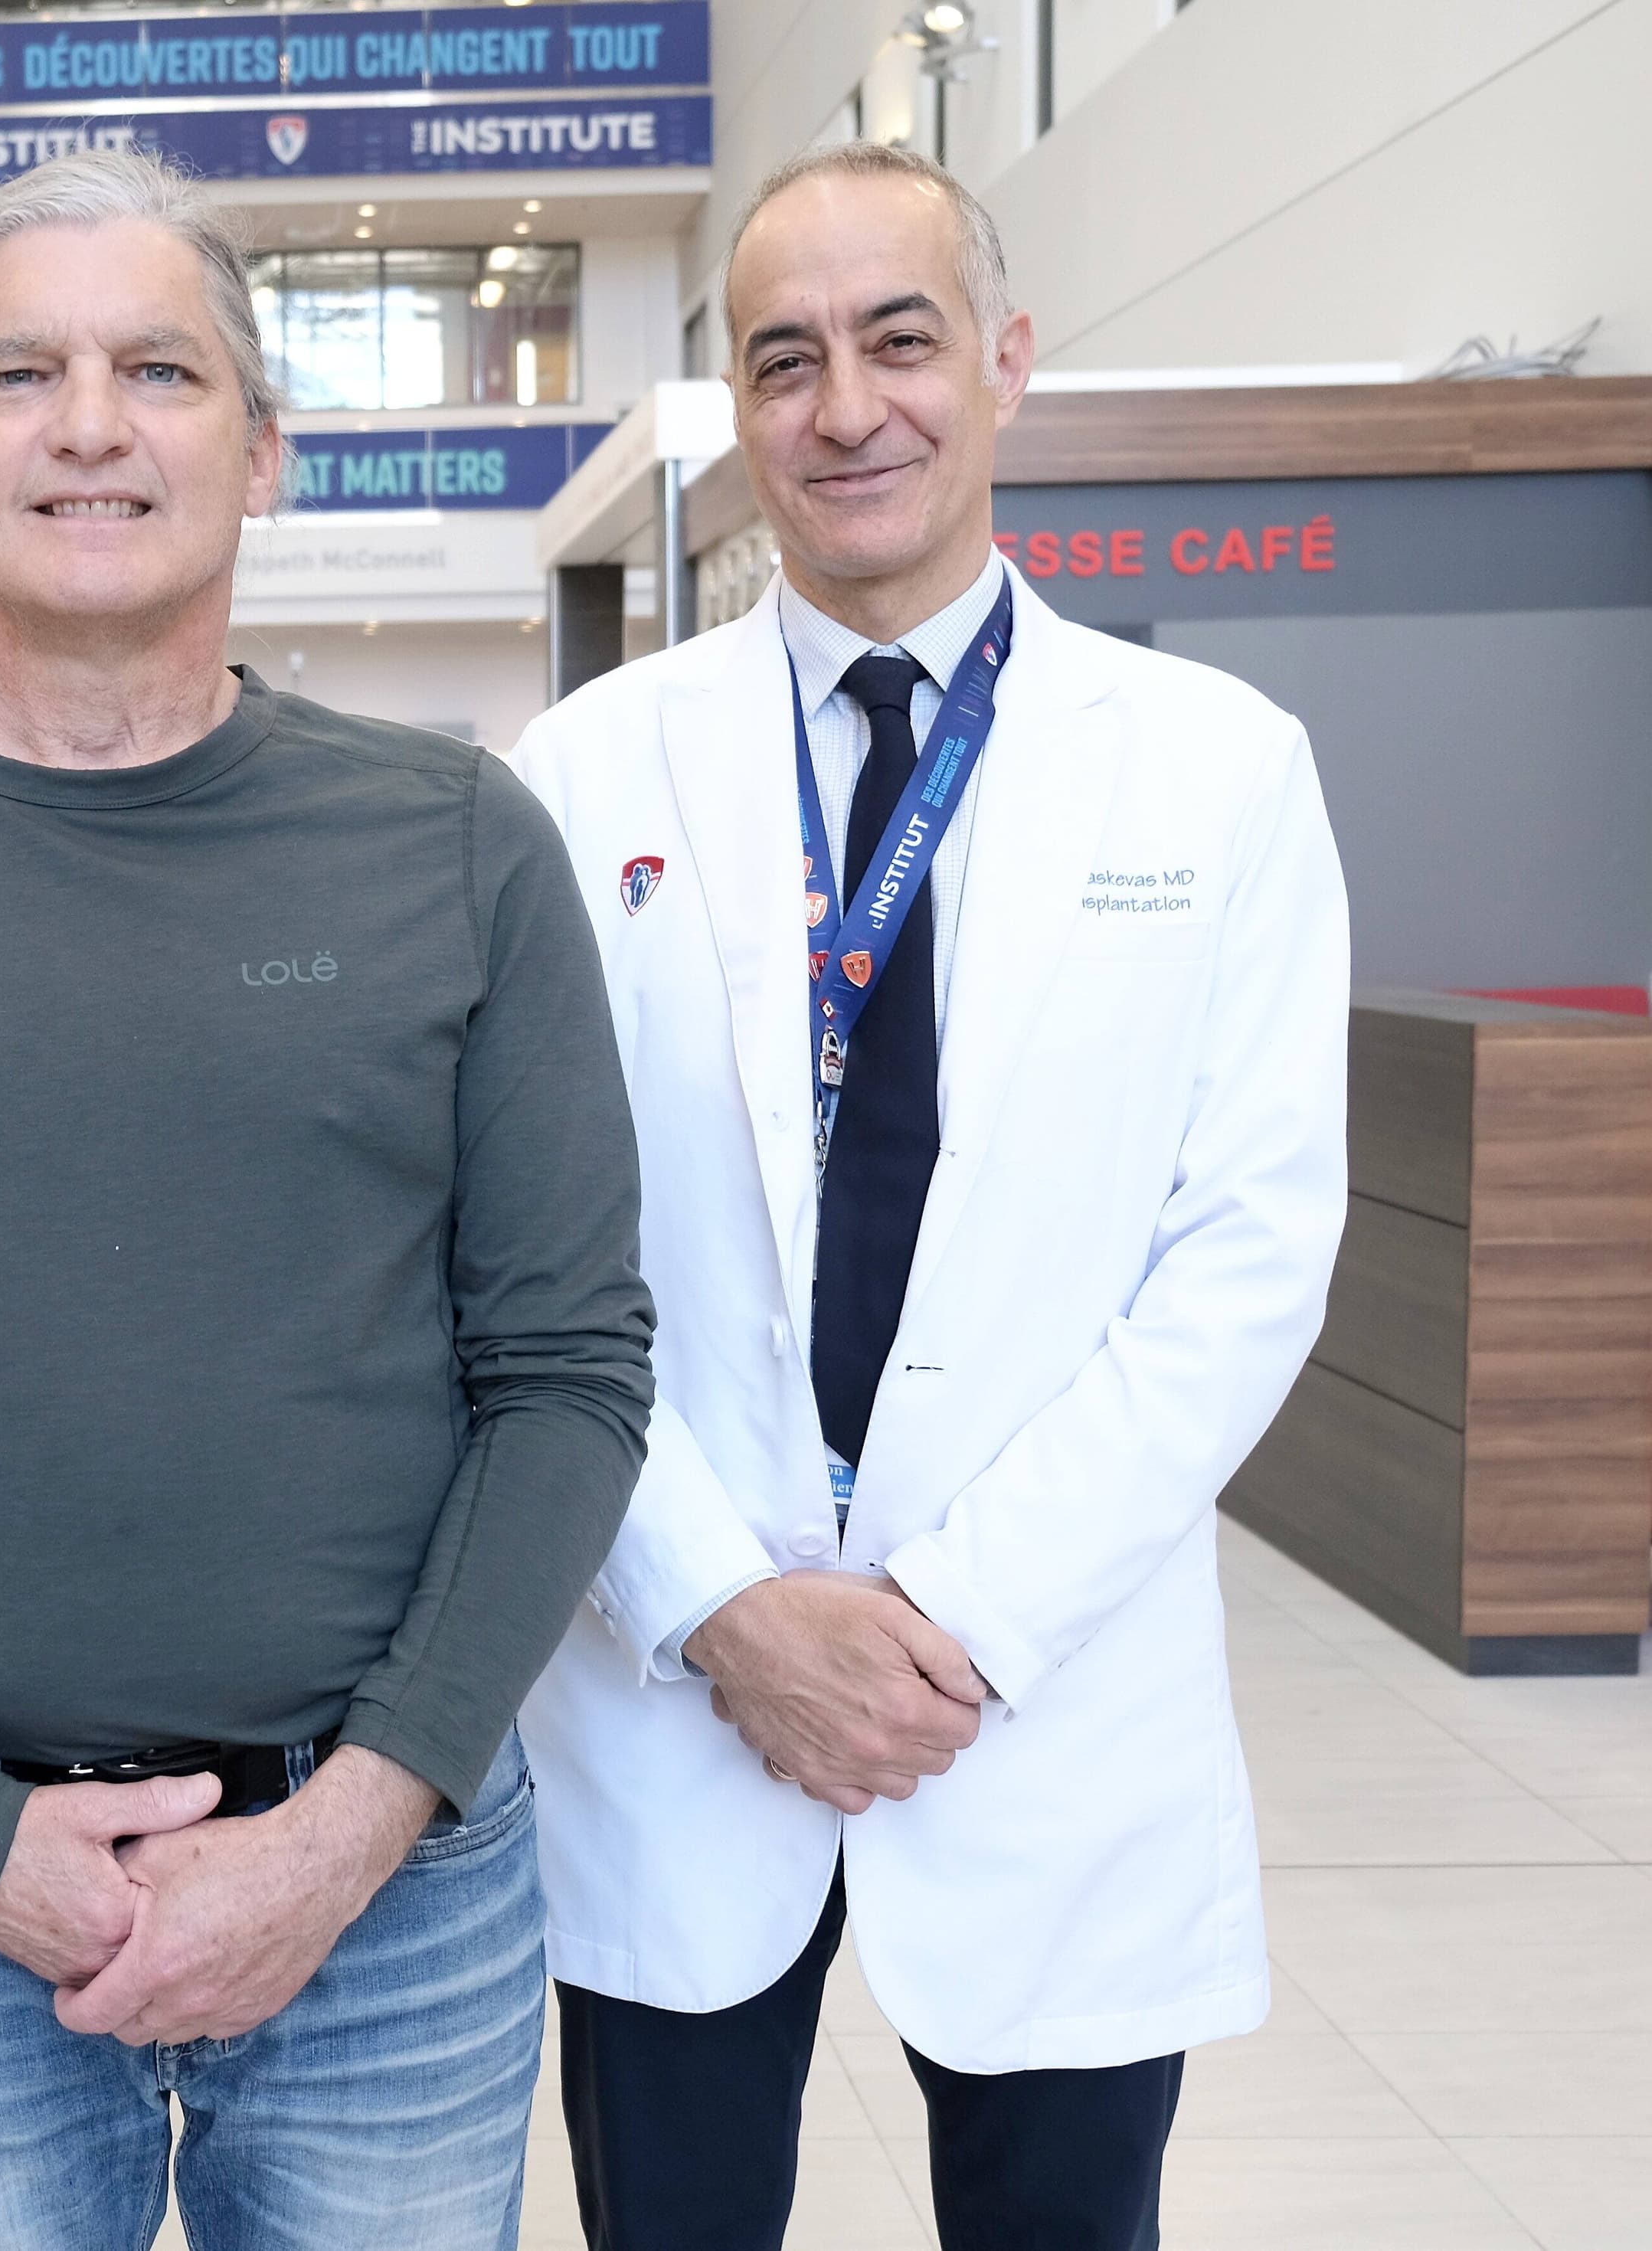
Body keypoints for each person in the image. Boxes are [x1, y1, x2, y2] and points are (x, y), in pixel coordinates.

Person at [0, 148, 655, 2251]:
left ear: (260, 449)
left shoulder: (459, 846)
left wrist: (351, 1831)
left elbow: (566, 1376)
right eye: (20, 376)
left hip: (393, 1901)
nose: (90, 424)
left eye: (159, 369)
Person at [511, 143, 1349, 2251]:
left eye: (899, 340)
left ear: (1004, 359)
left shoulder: (1217, 766)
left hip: (1042, 1693)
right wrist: (720, 1600)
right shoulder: (583, 775)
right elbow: (517, 1263)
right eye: (783, 360)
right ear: (736, 402)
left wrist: (954, 1617)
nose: (846, 407)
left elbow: (1243, 1260)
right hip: (679, 1685)